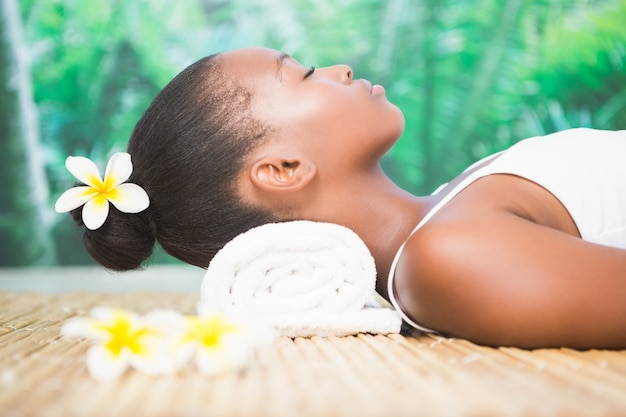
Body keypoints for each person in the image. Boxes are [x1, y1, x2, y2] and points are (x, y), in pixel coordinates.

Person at [61, 47, 626, 350]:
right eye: (305, 74)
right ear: (283, 169)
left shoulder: (449, 212)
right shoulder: (449, 257)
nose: (340, 68)